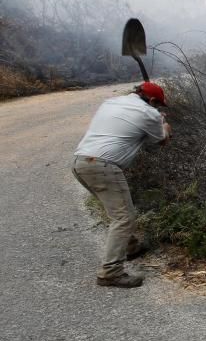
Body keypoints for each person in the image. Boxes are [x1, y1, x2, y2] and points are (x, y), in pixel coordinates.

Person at [72, 81, 172, 287]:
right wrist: (164, 126)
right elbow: (160, 142)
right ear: (152, 100)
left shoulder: (112, 101)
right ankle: (110, 272)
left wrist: (155, 118)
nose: (158, 109)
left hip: (80, 162)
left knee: (117, 212)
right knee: (124, 217)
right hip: (103, 166)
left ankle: (131, 247)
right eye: (158, 105)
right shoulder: (150, 113)